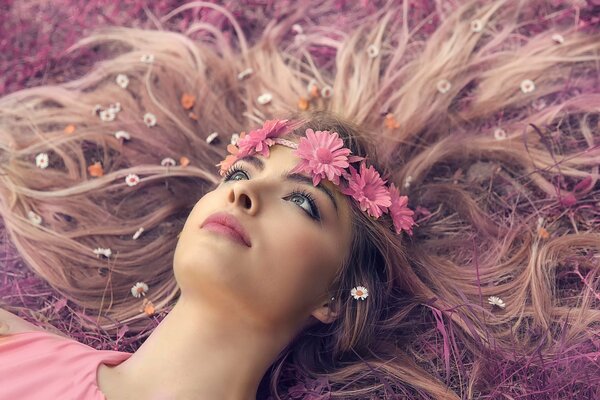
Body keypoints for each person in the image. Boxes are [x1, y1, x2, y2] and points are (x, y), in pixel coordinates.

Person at [0, 0, 598, 399]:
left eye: (306, 203)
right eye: (242, 169)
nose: (245, 192)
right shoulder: (16, 350)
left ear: (335, 296)